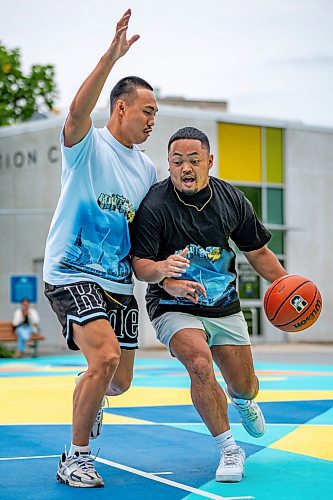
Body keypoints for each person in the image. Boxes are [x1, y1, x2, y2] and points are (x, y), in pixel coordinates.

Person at [131, 127, 287, 483]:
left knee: (246, 384)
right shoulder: (155, 206)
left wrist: (287, 287)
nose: (186, 168)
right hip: (172, 305)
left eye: (194, 160)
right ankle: (230, 449)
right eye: (177, 161)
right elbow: (140, 264)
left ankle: (243, 400)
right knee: (200, 364)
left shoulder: (231, 199)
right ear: (168, 164)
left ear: (209, 162)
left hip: (224, 305)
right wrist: (164, 274)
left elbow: (258, 251)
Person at [43, 9, 158, 488]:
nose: (153, 119)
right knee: (104, 358)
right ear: (121, 108)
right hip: (71, 272)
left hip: (117, 282)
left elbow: (146, 236)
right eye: (147, 111)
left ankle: (88, 391)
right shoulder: (88, 145)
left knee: (120, 379)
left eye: (156, 113)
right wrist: (111, 57)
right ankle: (76, 456)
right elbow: (75, 112)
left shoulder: (148, 171)